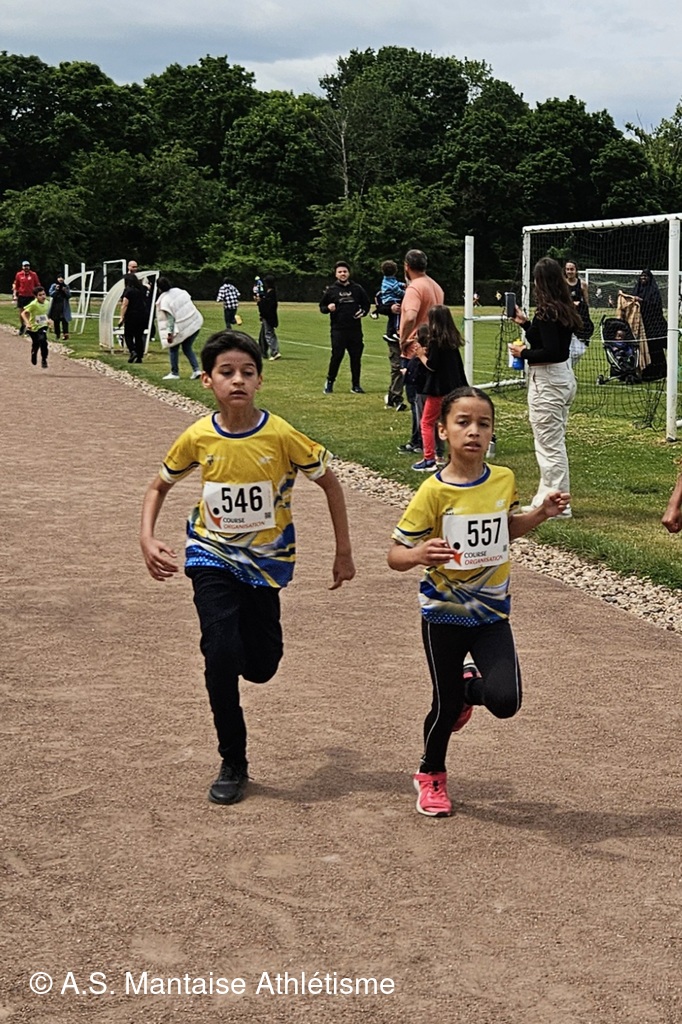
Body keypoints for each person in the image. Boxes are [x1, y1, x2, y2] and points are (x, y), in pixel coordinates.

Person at [140, 330, 355, 805]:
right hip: (210, 553)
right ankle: (233, 761)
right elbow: (158, 486)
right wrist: (147, 536)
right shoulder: (198, 435)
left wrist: (343, 551)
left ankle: (238, 654)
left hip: (266, 564)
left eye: (247, 372)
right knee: (219, 654)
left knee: (260, 667)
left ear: (259, 381)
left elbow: (331, 484)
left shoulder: (281, 435)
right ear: (207, 380)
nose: (237, 380)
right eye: (226, 372)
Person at [388, 386, 571, 817]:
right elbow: (395, 555)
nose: (473, 431)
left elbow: (505, 530)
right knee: (444, 705)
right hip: (443, 615)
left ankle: (470, 689)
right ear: (442, 430)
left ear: (491, 433)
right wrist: (419, 554)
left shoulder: (503, 479)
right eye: (463, 422)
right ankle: (431, 774)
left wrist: (540, 514)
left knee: (506, 701)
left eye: (483, 424)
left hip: (491, 614)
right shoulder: (432, 492)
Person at [509, 257, 582, 518]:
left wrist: (523, 353)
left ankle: (558, 504)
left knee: (549, 445)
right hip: (561, 377)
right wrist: (525, 324)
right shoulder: (562, 307)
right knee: (551, 442)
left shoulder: (548, 311)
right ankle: (546, 497)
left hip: (549, 380)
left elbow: (552, 350)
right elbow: (546, 339)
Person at [411, 305, 468, 472]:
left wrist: (421, 356)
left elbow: (432, 365)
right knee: (451, 423)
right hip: (454, 388)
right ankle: (455, 457)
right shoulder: (452, 340)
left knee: (427, 422)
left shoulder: (436, 341)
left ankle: (429, 459)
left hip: (438, 390)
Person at [398, 249, 445, 448]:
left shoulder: (414, 288)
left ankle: (419, 441)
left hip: (415, 349)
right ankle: (431, 441)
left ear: (406, 266)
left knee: (416, 397)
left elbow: (410, 316)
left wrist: (403, 339)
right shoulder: (436, 286)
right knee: (429, 398)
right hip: (433, 347)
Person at [319, 261, 371, 394]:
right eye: (340, 272)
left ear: (349, 273)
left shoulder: (357, 288)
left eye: (345, 271)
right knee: (337, 356)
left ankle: (356, 385)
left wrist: (363, 312)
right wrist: (328, 308)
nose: (343, 274)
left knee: (356, 357)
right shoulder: (331, 290)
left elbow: (366, 304)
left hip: (355, 329)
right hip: (338, 329)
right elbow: (322, 307)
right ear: (336, 274)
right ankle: (330, 382)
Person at [619, 270, 667, 381]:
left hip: (653, 326)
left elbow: (655, 306)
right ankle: (643, 371)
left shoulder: (654, 292)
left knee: (654, 348)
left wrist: (642, 301)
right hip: (640, 325)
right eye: (642, 276)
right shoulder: (637, 289)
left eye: (645, 276)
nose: (643, 278)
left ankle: (659, 373)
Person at [155, 276, 203, 380]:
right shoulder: (180, 291)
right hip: (194, 321)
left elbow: (170, 319)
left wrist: (169, 334)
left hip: (182, 326)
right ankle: (196, 370)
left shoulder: (165, 300)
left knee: (173, 348)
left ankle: (174, 372)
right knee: (187, 348)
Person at [374, 260, 406, 409]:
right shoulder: (386, 289)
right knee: (397, 367)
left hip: (412, 332)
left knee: (409, 367)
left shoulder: (407, 286)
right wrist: (390, 308)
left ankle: (393, 396)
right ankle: (397, 398)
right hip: (394, 334)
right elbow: (379, 307)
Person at [563, 260, 593, 367]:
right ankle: (566, 369)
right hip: (566, 319)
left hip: (579, 319)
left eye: (572, 269)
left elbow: (586, 303)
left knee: (579, 350)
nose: (569, 271)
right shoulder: (562, 284)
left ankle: (568, 368)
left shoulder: (583, 284)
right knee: (566, 347)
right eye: (567, 269)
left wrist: (580, 305)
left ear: (576, 270)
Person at [21, 286, 53, 368]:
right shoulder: (33, 304)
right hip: (33, 327)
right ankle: (34, 353)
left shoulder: (47, 303)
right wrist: (27, 323)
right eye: (40, 295)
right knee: (36, 343)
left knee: (43, 340)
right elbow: (23, 313)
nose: (43, 296)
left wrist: (49, 321)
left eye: (44, 294)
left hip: (43, 325)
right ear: (36, 296)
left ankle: (44, 359)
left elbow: (47, 314)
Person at [119, 273, 148, 364]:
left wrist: (121, 317)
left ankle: (132, 351)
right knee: (139, 336)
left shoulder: (128, 290)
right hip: (142, 315)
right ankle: (139, 356)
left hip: (131, 315)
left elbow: (125, 304)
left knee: (128, 335)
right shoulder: (142, 289)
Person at [12, 260, 42, 335]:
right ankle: (23, 325)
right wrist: (15, 295)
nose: (26, 267)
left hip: (31, 296)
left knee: (29, 312)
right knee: (21, 312)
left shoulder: (33, 274)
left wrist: (38, 294)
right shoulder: (19, 274)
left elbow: (37, 285)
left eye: (27, 266)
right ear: (22, 267)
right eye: (25, 266)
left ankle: (29, 327)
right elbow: (17, 286)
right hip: (22, 295)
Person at [257, 274, 280, 361]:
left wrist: (260, 302)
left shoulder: (271, 294)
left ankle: (275, 352)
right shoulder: (270, 293)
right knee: (263, 335)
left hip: (268, 317)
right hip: (267, 316)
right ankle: (262, 352)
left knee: (269, 334)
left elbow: (267, 307)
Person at [48, 276, 72, 340]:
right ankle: (57, 334)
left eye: (62, 278)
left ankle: (65, 334)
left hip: (64, 306)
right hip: (56, 305)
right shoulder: (54, 285)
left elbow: (69, 295)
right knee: (56, 321)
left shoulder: (66, 286)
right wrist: (56, 290)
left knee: (65, 320)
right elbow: (51, 294)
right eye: (59, 278)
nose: (60, 279)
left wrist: (65, 291)